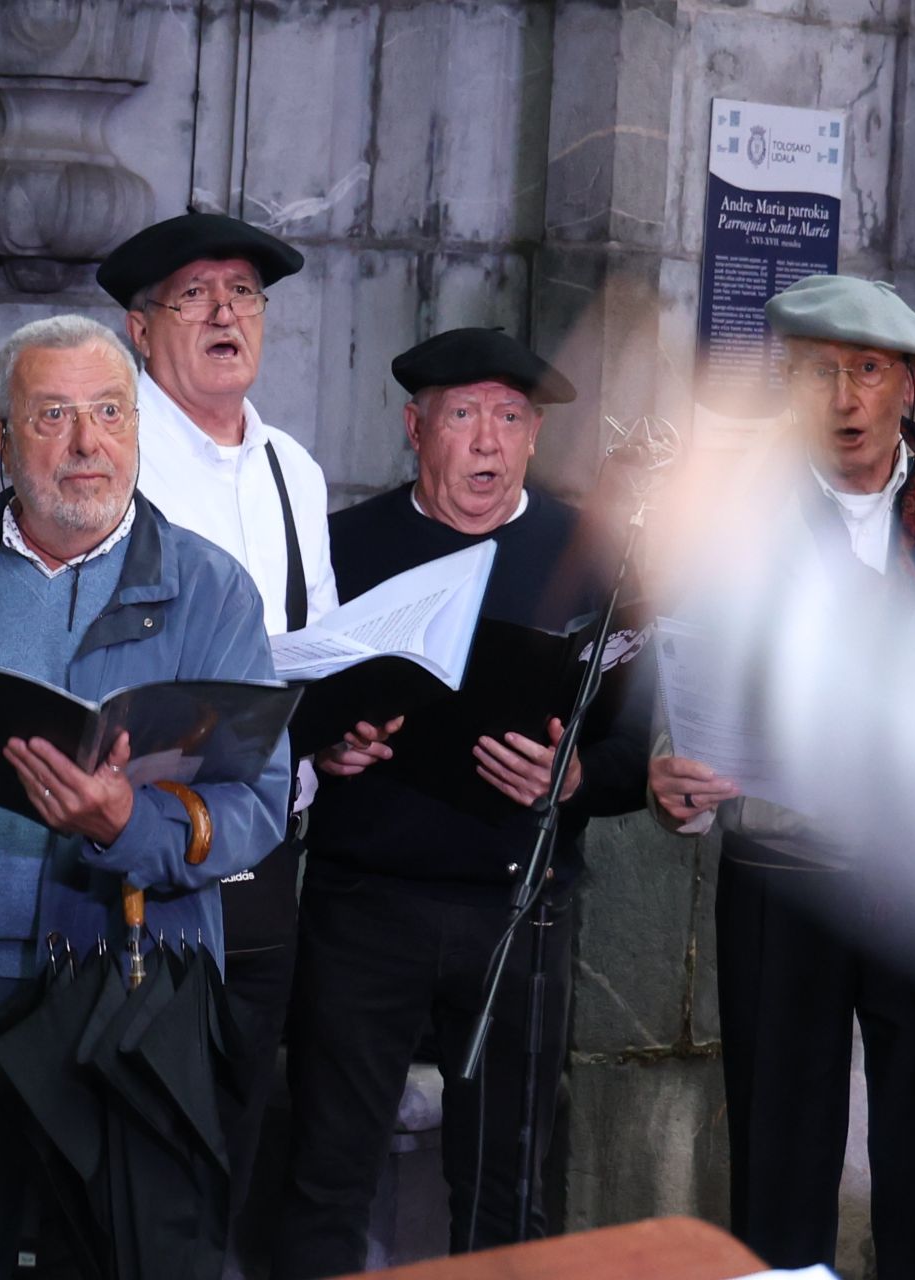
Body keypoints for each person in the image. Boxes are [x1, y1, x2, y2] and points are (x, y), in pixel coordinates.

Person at [0, 313, 291, 1275]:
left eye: (111, 413)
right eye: (55, 417)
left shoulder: (211, 591)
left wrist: (133, 822)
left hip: (122, 1000)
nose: (88, 444)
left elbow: (259, 807)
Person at [648, 275, 915, 1277]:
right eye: (816, 373)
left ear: (910, 383)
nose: (842, 398)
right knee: (780, 1157)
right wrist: (670, 776)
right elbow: (687, 673)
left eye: (866, 370)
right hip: (784, 865)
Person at [273, 328, 652, 1276]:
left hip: (521, 908)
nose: (487, 441)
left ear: (532, 440)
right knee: (325, 1171)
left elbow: (634, 754)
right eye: (463, 416)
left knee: (508, 1182)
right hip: (365, 905)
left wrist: (571, 777)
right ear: (415, 428)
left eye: (511, 419)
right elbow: (274, 709)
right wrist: (328, 744)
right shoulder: (342, 545)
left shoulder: (593, 556)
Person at [97, 212, 338, 1253]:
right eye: (195, 295)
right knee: (130, 1137)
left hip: (267, 847)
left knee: (234, 1126)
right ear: (140, 329)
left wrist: (342, 727)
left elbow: (317, 640)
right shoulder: (114, 453)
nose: (225, 312)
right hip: (141, 841)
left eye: (243, 293)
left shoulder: (294, 468)